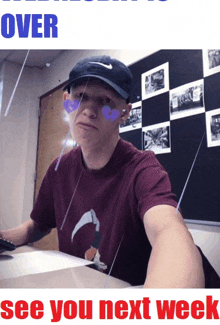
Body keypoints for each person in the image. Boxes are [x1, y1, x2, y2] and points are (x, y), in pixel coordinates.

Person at [0, 56, 206, 287]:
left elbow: (167, 229)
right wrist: (4, 238)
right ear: (66, 102)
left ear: (124, 113)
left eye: (106, 101)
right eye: (80, 97)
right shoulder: (59, 170)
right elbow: (37, 226)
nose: (88, 110)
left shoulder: (142, 169)